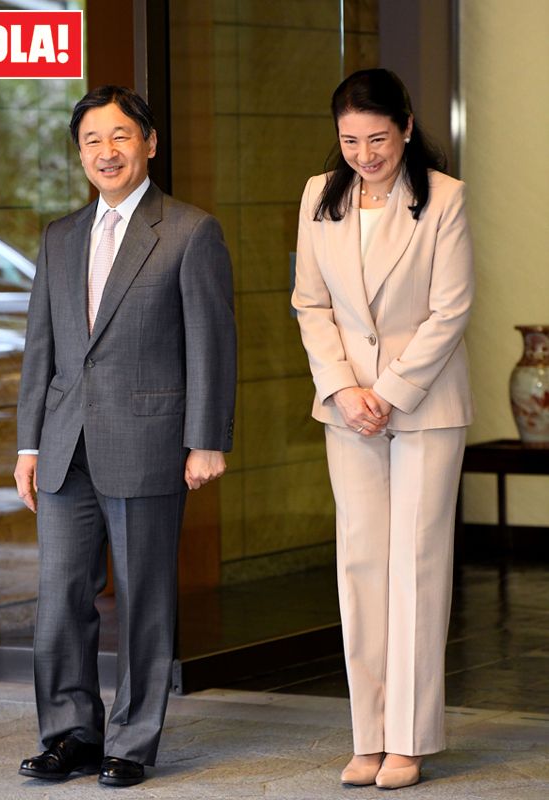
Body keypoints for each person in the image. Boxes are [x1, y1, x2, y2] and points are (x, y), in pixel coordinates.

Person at [14, 85, 236, 787]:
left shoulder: (190, 231)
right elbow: (40, 352)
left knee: (144, 600)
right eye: (91, 141)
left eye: (119, 137)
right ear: (80, 154)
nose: (106, 152)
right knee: (58, 599)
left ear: (149, 143)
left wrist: (207, 440)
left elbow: (212, 344)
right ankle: (71, 732)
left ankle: (133, 742)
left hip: (148, 441)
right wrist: (27, 445)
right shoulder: (59, 236)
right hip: (63, 444)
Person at [292, 69, 473, 790]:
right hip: (348, 410)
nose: (364, 154)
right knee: (362, 566)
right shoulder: (319, 195)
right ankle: (368, 736)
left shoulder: (445, 199)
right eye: (349, 141)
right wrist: (342, 387)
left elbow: (451, 310)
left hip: (424, 406)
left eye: (377, 138)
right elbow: (310, 304)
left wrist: (389, 391)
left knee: (417, 567)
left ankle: (410, 738)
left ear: (403, 125)